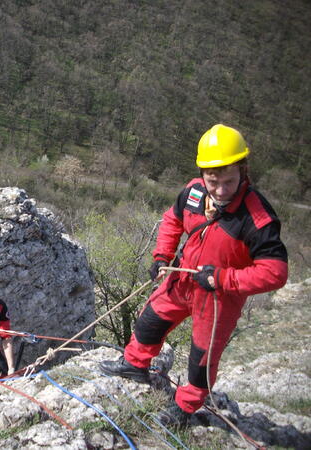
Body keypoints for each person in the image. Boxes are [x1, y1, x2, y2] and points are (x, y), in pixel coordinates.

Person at [100, 124, 288, 426]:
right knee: (150, 320)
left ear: (243, 169)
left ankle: (185, 407)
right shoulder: (193, 192)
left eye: (229, 181)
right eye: (214, 182)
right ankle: (134, 365)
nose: (221, 190)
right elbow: (172, 221)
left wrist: (223, 279)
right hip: (182, 279)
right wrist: (162, 256)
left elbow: (275, 272)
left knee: (202, 356)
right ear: (203, 174)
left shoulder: (256, 216)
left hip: (219, 296)